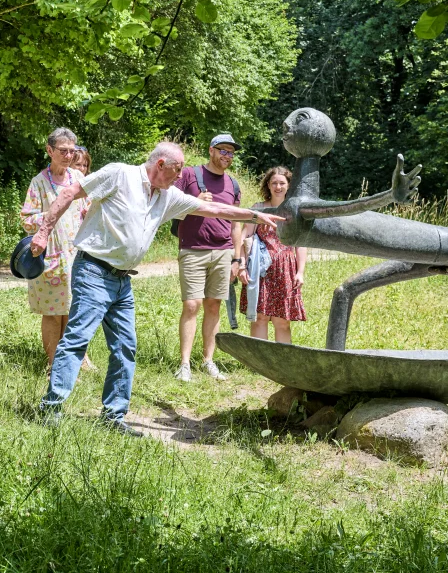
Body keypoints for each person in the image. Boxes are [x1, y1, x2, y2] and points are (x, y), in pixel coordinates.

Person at [30, 142, 284, 436]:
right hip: (93, 271)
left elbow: (212, 208)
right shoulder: (119, 174)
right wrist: (44, 230)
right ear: (161, 164)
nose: (181, 177)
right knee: (77, 339)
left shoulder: (168, 196)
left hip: (122, 280)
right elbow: (70, 192)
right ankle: (51, 408)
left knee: (126, 347)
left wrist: (254, 215)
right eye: (177, 170)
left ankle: (113, 417)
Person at [20, 128, 95, 372]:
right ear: (49, 150)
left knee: (76, 310)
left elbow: (90, 208)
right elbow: (27, 219)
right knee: (53, 313)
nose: (69, 156)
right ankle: (54, 363)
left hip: (78, 255)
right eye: (63, 151)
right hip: (50, 255)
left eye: (72, 151)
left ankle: (76, 359)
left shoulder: (78, 179)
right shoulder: (39, 182)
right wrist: (52, 213)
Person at [173, 134, 244, 382]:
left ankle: (208, 361)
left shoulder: (233, 185)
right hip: (192, 248)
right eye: (223, 150)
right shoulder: (190, 175)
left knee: (214, 305)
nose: (227, 156)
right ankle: (184, 364)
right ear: (211, 150)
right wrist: (193, 202)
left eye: (231, 152)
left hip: (223, 252)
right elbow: (168, 205)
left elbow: (236, 224)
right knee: (192, 305)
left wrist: (237, 259)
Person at [238, 166, 306, 343]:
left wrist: (300, 272)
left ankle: (282, 362)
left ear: (289, 186)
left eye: (282, 183)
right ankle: (260, 363)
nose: (278, 187)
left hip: (286, 271)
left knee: (282, 320)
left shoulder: (295, 212)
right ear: (268, 185)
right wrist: (242, 266)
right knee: (260, 318)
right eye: (274, 183)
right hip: (259, 270)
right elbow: (245, 237)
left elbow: (300, 244)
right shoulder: (258, 208)